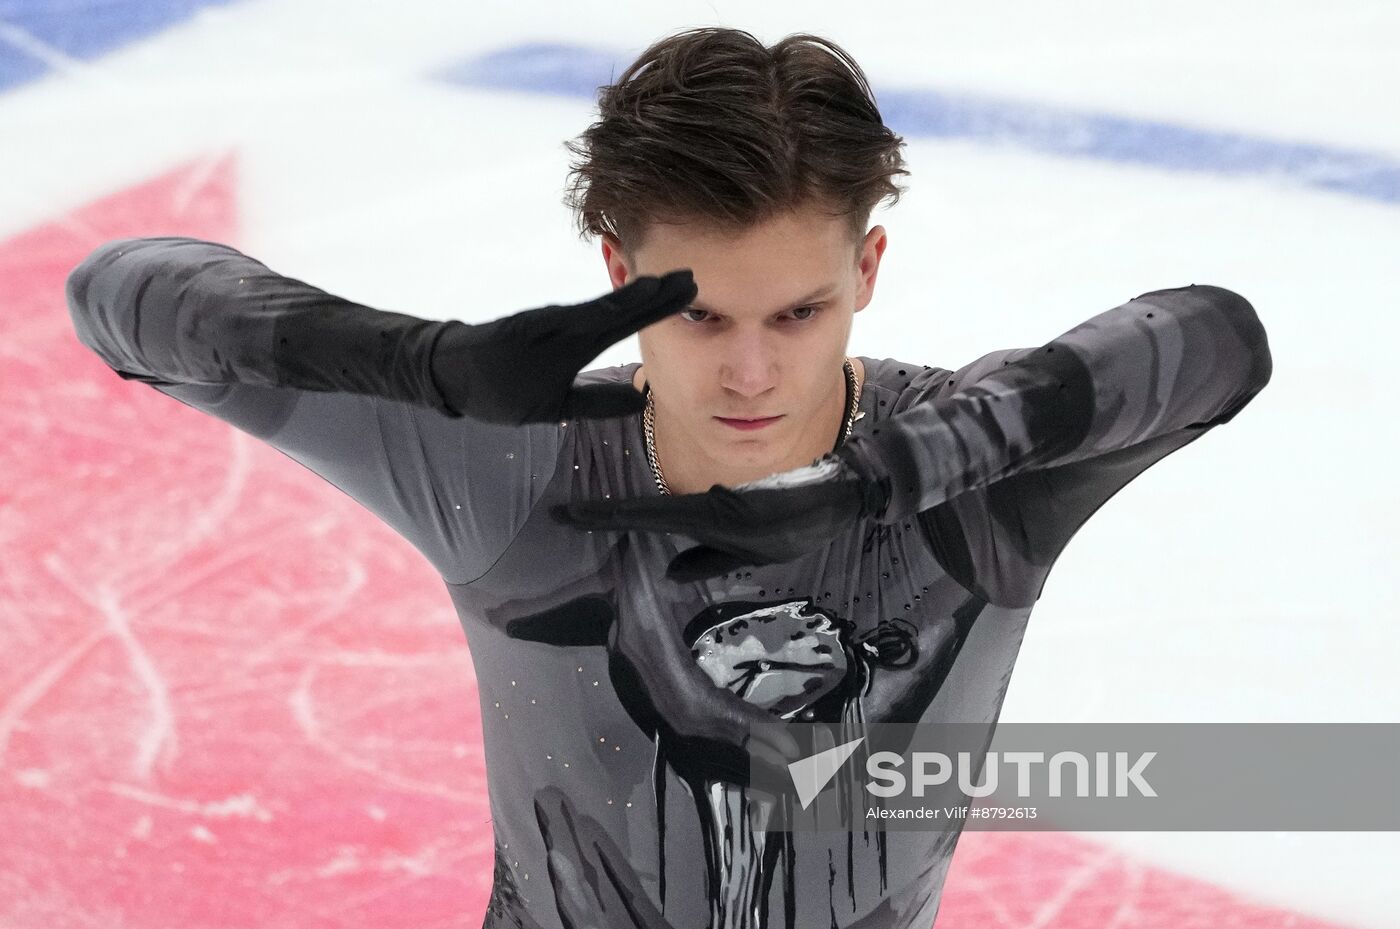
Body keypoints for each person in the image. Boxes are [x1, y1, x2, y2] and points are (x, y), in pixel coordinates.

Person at [64, 25, 1272, 929]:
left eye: (800, 311)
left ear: (869, 265)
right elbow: (120, 294)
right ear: (613, 267)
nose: (752, 371)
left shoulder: (971, 460)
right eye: (697, 319)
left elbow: (1216, 341)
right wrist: (412, 360)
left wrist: (893, 473)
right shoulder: (511, 458)